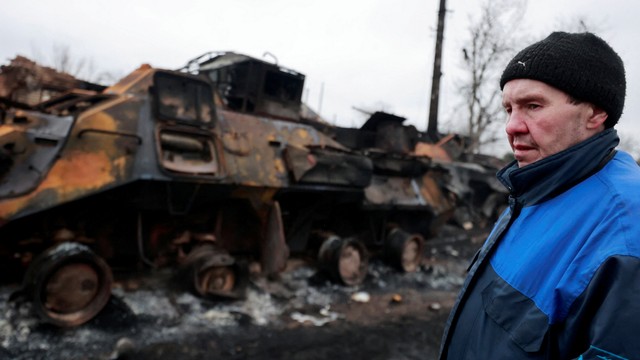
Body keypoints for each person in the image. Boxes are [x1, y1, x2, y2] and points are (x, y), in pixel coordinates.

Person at [438, 31, 640, 359]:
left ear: (595, 114)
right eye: (508, 109)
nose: (511, 126)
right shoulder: (533, 189)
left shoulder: (627, 230)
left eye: (533, 106)